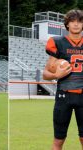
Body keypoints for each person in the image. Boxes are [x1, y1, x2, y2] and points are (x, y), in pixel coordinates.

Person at [43, 9, 83, 150]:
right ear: (67, 24)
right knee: (58, 140)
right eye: (72, 21)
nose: (76, 24)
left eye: (79, 21)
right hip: (63, 96)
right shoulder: (58, 42)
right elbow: (45, 74)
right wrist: (56, 75)